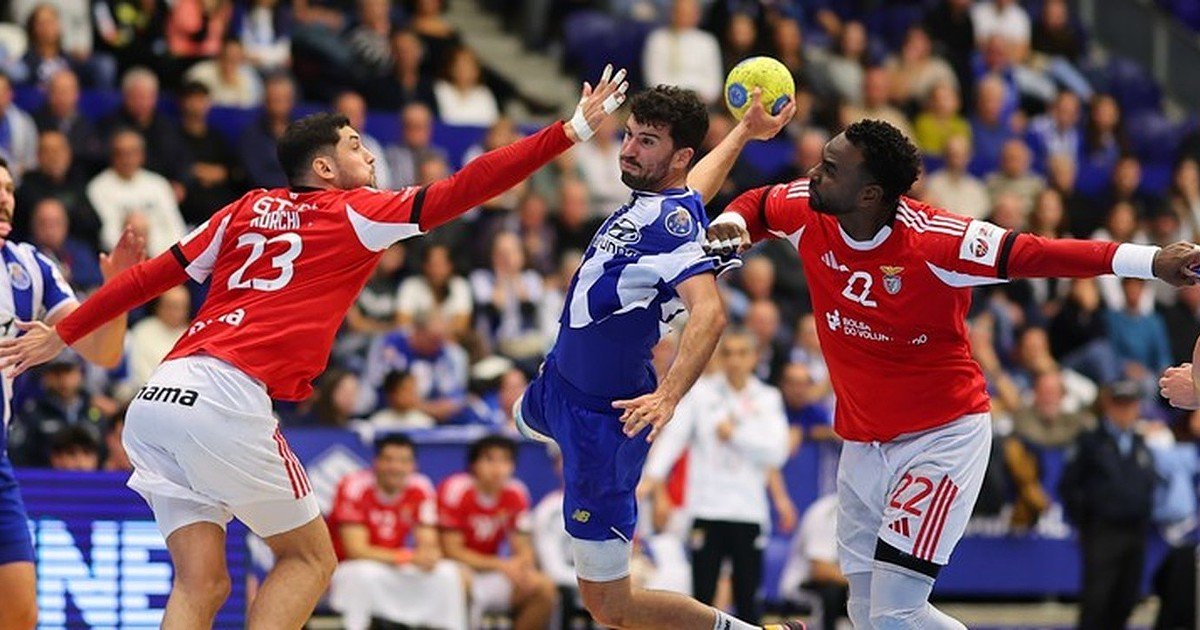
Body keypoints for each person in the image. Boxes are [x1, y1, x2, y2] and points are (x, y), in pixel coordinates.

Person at [0, 66, 629, 629]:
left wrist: (66, 329)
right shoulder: (356, 211)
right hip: (226, 395)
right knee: (309, 558)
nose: (371, 155)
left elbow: (149, 276)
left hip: (159, 396)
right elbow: (468, 186)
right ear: (325, 169)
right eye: (357, 145)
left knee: (203, 583)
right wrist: (568, 131)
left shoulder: (243, 208)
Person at [701, 118, 1200, 629]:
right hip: (863, 441)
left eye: (830, 168)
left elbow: (1039, 253)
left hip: (940, 437)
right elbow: (759, 204)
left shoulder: (938, 242)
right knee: (865, 610)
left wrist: (1151, 260)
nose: (813, 174)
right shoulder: (810, 205)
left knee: (897, 613)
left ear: (870, 193)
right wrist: (738, 225)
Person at [514, 84, 804, 630]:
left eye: (646, 141)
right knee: (519, 415)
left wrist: (669, 396)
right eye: (627, 135)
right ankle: (539, 416)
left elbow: (711, 315)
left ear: (678, 156)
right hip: (557, 385)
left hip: (602, 425)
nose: (627, 149)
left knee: (610, 606)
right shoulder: (663, 201)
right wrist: (744, 131)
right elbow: (694, 190)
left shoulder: (672, 235)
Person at [0, 156, 139, 630]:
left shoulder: (29, 266)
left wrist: (117, 292)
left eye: (10, 189)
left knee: (20, 614)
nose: (4, 198)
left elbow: (102, 351)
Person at [642, 329, 789, 623]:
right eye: (727, 353)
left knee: (748, 598)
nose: (734, 360)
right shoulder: (703, 394)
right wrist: (652, 477)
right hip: (707, 508)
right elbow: (674, 438)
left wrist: (736, 435)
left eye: (741, 353)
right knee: (703, 596)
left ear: (754, 358)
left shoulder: (767, 398)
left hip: (748, 511)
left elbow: (778, 451)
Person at [327, 434, 467, 630]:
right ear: (375, 462)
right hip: (350, 567)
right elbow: (356, 550)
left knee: (447, 573)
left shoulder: (420, 487)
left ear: (413, 466)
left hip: (394, 563)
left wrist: (429, 555)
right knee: (363, 573)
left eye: (403, 461)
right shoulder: (354, 486)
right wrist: (408, 557)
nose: (396, 468)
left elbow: (428, 541)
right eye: (389, 460)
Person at [1057, 380, 1158, 630]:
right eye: (1120, 404)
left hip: (1136, 530)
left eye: (1130, 405)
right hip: (1103, 531)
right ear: (1109, 406)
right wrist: (1086, 520)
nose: (1125, 411)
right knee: (1097, 599)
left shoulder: (1140, 443)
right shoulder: (1091, 442)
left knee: (1127, 597)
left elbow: (1149, 484)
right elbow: (1069, 485)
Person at [438, 435, 555, 630]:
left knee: (543, 588)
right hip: (456, 569)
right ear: (474, 464)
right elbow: (451, 550)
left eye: (505, 460)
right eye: (489, 459)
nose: (497, 468)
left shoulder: (516, 492)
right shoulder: (457, 489)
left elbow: (522, 544)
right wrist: (501, 565)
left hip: (492, 571)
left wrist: (522, 566)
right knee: (459, 582)